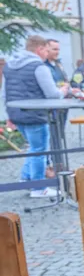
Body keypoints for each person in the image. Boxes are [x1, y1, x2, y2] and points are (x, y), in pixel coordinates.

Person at [1, 35, 69, 197]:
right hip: (35, 114)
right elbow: (52, 94)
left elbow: (4, 93)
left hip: (15, 112)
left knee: (33, 148)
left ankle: (26, 179)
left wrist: (8, 115)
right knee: (39, 150)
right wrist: (63, 91)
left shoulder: (10, 65)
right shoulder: (38, 66)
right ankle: (39, 187)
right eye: (46, 50)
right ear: (39, 49)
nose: (47, 53)